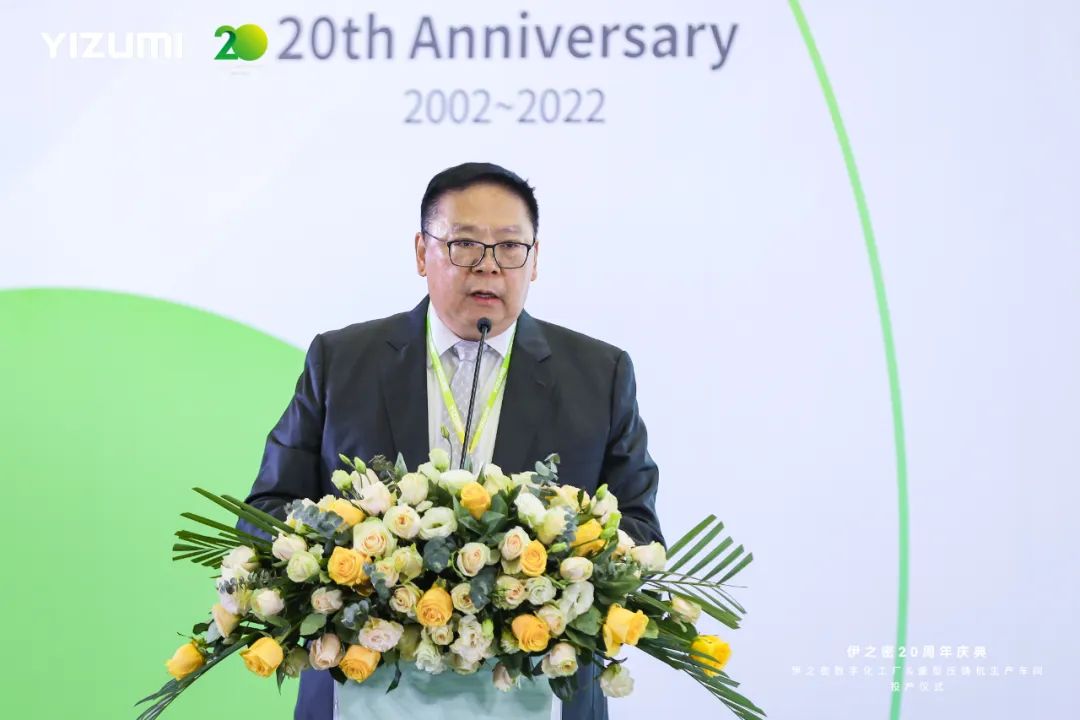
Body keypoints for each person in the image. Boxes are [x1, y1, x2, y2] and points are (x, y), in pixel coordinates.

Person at [242, 162, 664, 720]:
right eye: (464, 244)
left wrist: (548, 569)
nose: (489, 266)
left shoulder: (598, 375)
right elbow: (265, 514)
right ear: (422, 253)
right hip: (364, 688)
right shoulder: (342, 363)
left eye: (510, 247)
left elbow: (638, 532)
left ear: (535, 259)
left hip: (536, 692)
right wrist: (356, 563)